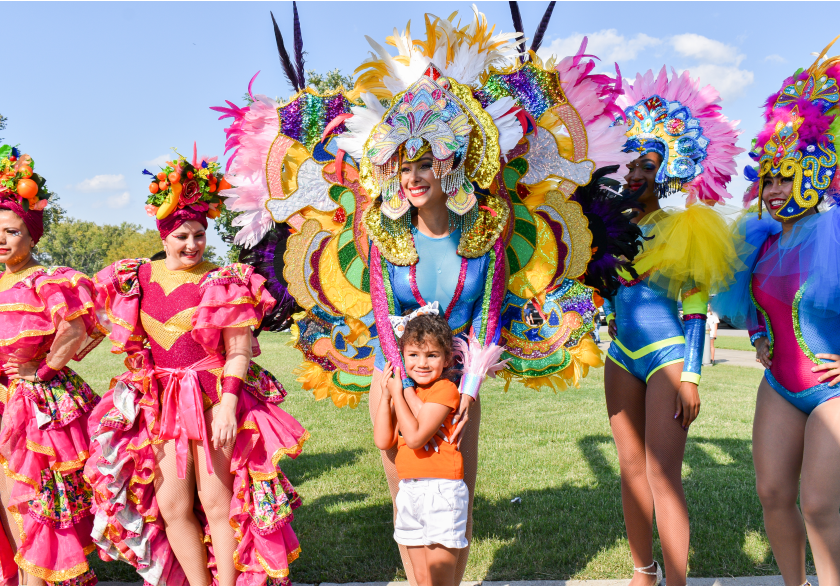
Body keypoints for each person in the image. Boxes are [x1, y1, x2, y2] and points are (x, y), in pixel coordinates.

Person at [213, 6, 640, 583]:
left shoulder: (484, 235)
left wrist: (463, 393)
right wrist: (399, 387)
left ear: (449, 168)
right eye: (402, 167)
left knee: (453, 511)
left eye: (424, 166)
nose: (412, 178)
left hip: (458, 386)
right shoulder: (385, 236)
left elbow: (487, 318)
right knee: (408, 507)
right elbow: (384, 317)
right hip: (392, 381)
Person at [86, 146, 308, 586]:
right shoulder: (136, 279)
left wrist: (227, 407)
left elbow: (239, 351)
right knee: (171, 505)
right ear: (163, 235)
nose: (191, 245)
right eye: (181, 236)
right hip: (162, 404)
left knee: (217, 502)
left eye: (199, 235)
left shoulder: (224, 280)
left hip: (212, 398)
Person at [602, 68, 743, 585]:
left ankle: (677, 582)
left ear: (669, 171)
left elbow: (695, 307)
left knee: (664, 476)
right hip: (620, 356)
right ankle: (643, 572)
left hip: (667, 357)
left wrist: (692, 376)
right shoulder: (605, 230)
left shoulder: (686, 226)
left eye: (648, 164)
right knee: (632, 472)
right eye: (629, 162)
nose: (635, 173)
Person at [713, 40, 840, 586]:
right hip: (781, 386)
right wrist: (761, 335)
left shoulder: (834, 232)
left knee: (817, 503)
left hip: (832, 391)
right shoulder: (760, 241)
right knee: (772, 495)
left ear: (814, 172)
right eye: (768, 177)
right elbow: (756, 304)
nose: (775, 188)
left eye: (787, 175)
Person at [0, 145, 104, 585]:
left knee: (37, 499)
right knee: (3, 499)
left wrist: (42, 370)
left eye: (12, 232)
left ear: (32, 236)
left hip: (39, 403)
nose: (1, 241)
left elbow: (76, 329)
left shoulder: (48, 280)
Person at [374, 313, 467, 586]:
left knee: (439, 580)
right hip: (410, 490)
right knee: (422, 579)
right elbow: (383, 440)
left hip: (442, 491)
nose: (422, 364)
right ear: (402, 357)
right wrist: (388, 395)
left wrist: (401, 392)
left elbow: (414, 437)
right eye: (413, 355)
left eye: (432, 355)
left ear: (448, 358)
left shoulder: (445, 389)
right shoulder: (404, 394)